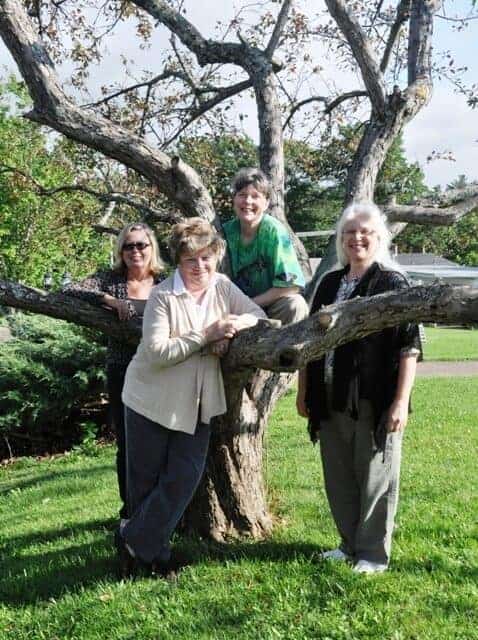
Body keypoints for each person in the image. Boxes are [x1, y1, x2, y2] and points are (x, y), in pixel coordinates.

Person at [118, 218, 266, 579]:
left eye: (206, 258)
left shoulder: (222, 287)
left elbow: (257, 315)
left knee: (184, 476)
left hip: (197, 402)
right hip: (150, 399)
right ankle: (151, 558)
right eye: (190, 260)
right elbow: (156, 352)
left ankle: (131, 540)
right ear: (178, 262)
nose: (200, 267)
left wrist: (230, 328)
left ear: (216, 256)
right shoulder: (162, 296)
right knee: (146, 484)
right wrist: (206, 334)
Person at [296, 202, 421, 574]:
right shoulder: (330, 283)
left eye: (365, 231)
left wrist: (400, 402)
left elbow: (409, 346)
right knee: (339, 474)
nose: (357, 238)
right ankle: (348, 544)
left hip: (372, 396)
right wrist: (304, 391)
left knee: (374, 475)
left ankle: (372, 554)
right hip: (329, 395)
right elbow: (307, 341)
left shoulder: (392, 283)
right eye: (349, 232)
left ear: (379, 237)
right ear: (340, 240)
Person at [63, 222, 164, 523]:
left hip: (162, 371)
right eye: (128, 246)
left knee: (161, 441)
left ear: (151, 248)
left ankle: (163, 510)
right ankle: (130, 511)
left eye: (141, 245)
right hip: (122, 370)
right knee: (128, 445)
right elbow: (70, 288)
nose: (135, 251)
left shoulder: (166, 280)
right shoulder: (110, 279)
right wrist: (109, 300)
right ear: (121, 251)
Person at [223, 167, 309, 325]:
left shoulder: (274, 231)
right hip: (232, 308)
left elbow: (291, 286)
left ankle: (290, 349)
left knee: (296, 305)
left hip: (269, 306)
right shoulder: (224, 232)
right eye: (242, 195)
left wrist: (249, 305)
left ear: (266, 202)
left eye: (255, 196)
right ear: (233, 200)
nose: (248, 201)